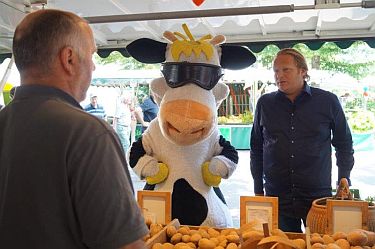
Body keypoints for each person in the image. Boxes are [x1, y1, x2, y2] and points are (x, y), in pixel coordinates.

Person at [0, 9, 148, 249]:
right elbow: (125, 245)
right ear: (68, 59)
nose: (93, 67)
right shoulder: (88, 134)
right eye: (91, 56)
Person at [250, 48, 354, 233]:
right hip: (277, 195)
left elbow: (343, 143)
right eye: (275, 71)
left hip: (316, 197)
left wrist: (343, 177)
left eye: (285, 70)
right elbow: (257, 148)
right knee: (281, 245)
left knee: (321, 244)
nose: (279, 75)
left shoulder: (328, 101)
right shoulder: (265, 104)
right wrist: (258, 189)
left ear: (303, 71)